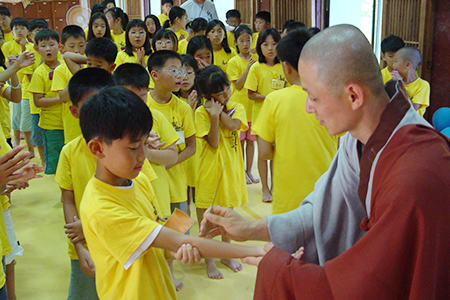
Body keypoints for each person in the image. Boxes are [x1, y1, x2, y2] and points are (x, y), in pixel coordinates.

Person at [200, 24, 450, 299]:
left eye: (314, 96)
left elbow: (377, 278)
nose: (308, 106)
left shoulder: (416, 171)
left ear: (353, 96)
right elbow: (325, 212)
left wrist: (285, 271)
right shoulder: (358, 138)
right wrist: (251, 228)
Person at [78, 86, 264, 299]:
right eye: (133, 148)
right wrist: (257, 251)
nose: (143, 155)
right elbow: (168, 239)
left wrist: (178, 246)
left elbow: (160, 240)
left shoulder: (138, 180)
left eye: (146, 144)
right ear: (97, 149)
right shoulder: (101, 208)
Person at [113, 62, 187, 291]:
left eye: (142, 97)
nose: (137, 104)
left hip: (159, 193)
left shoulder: (156, 117)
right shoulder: (111, 123)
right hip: (128, 196)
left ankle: (169, 272)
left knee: (167, 234)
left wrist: (147, 152)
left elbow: (172, 156)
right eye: (129, 97)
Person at [252, 29, 338, 214]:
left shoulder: (275, 100)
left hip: (288, 198)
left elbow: (265, 152)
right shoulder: (333, 97)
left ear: (286, 67)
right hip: (327, 193)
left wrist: (287, 147)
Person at [55, 68, 116, 300]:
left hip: (120, 242)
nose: (101, 113)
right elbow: (68, 199)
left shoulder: (128, 149)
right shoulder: (70, 152)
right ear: (74, 111)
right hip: (85, 246)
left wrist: (90, 227)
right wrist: (79, 245)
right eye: (91, 106)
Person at [195, 65, 248, 279]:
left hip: (231, 171)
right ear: (207, 96)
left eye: (227, 87)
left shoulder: (236, 105)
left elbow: (235, 126)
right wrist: (213, 117)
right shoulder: (201, 113)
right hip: (209, 173)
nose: (226, 94)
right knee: (207, 220)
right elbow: (214, 143)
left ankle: (226, 254)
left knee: (228, 217)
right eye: (219, 92)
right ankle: (209, 261)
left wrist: (219, 111)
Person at [146, 50, 196, 222]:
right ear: (155, 75)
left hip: (177, 184)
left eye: (182, 71)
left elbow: (191, 147)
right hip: (149, 184)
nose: (180, 76)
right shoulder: (141, 104)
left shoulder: (184, 109)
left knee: (179, 240)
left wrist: (168, 162)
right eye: (174, 70)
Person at [245, 28, 287, 203]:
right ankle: (264, 188)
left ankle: (276, 187)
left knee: (278, 155)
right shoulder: (256, 67)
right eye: (265, 44)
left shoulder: (284, 66)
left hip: (281, 116)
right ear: (259, 47)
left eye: (274, 44)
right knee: (263, 155)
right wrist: (270, 98)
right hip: (262, 116)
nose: (270, 48)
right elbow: (251, 94)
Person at [28, 29, 64, 174]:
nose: (48, 48)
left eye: (51, 44)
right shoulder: (39, 72)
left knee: (69, 161)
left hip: (69, 124)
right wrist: (60, 99)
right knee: (54, 163)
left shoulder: (65, 66)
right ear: (37, 49)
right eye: (43, 46)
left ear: (59, 46)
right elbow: (38, 101)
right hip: (51, 126)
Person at [226, 24, 259, 184]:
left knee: (251, 142)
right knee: (239, 142)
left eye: (248, 40)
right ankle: (240, 172)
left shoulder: (257, 60)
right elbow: (238, 85)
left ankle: (249, 171)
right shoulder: (233, 61)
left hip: (253, 108)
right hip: (239, 108)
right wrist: (247, 69)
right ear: (236, 42)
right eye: (242, 41)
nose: (246, 44)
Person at [2, 18, 35, 155]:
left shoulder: (32, 46)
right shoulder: (7, 46)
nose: (19, 31)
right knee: (16, 117)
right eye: (16, 28)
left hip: (23, 87)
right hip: (12, 82)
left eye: (22, 28)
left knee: (23, 119)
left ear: (27, 31)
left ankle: (26, 147)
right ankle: (16, 141)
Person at [51, 25, 87, 145]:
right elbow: (64, 98)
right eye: (72, 46)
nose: (77, 50)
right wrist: (77, 74)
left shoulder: (91, 65)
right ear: (62, 48)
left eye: (81, 46)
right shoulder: (60, 70)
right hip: (72, 128)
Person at [22, 19, 49, 168]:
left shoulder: (54, 51)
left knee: (51, 134)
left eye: (42, 30)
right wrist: (42, 61)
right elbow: (32, 80)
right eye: (36, 31)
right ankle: (43, 160)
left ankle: (51, 159)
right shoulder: (28, 53)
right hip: (34, 103)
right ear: (30, 36)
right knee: (38, 135)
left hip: (51, 102)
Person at [392, 46, 430, 116]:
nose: (393, 66)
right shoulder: (394, 82)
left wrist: (400, 84)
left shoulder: (423, 85)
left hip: (411, 124)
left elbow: (411, 109)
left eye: (396, 62)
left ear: (407, 65)